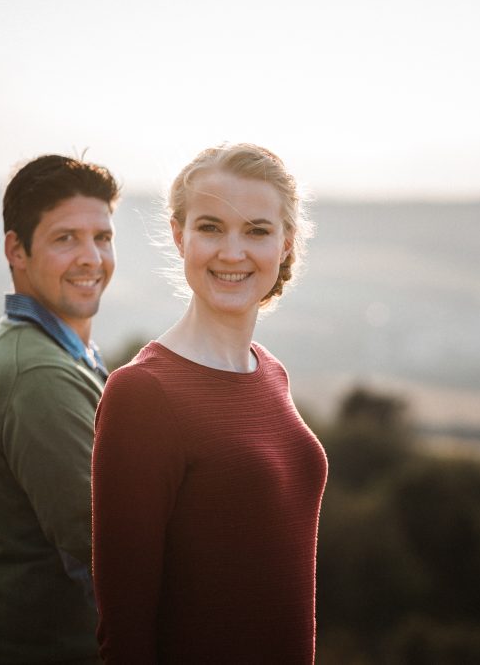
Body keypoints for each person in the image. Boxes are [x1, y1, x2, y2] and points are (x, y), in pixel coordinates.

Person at [92, 143, 328, 663]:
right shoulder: (143, 395)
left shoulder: (270, 372)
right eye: (211, 227)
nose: (232, 251)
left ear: (287, 242)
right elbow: (124, 636)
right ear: (180, 236)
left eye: (258, 231)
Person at [0, 154, 119, 665]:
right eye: (66, 238)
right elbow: (112, 555)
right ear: (16, 250)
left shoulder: (50, 352)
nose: (91, 257)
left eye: (103, 237)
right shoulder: (38, 375)